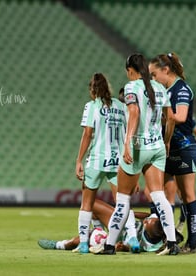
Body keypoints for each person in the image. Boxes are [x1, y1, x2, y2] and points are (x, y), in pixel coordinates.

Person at [94, 53, 179, 256]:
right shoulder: (160, 87)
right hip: (157, 146)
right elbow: (171, 119)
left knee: (123, 200)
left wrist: (127, 144)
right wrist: (166, 141)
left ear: (130, 70)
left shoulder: (132, 87)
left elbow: (134, 113)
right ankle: (172, 243)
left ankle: (109, 246)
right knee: (159, 196)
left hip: (138, 146)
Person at [74, 73, 138, 254]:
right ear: (108, 88)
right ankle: (132, 237)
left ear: (92, 90)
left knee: (87, 202)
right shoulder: (121, 106)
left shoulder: (92, 106)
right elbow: (129, 134)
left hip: (96, 159)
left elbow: (87, 134)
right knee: (123, 201)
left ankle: (85, 244)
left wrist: (79, 160)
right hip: (118, 160)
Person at [149, 52, 196, 253]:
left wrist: (164, 117)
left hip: (184, 147)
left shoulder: (181, 89)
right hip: (167, 147)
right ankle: (167, 237)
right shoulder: (166, 89)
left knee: (187, 194)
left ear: (165, 70)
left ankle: (194, 241)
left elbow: (180, 116)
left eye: (154, 74)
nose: (153, 79)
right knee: (158, 191)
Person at [37, 199, 183, 252]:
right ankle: (98, 227)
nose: (146, 221)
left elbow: (126, 248)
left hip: (118, 236)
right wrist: (130, 213)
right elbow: (147, 216)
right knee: (92, 206)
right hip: (122, 223)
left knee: (88, 237)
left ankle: (58, 245)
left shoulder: (151, 246)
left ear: (153, 234)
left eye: (146, 224)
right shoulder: (157, 222)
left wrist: (124, 248)